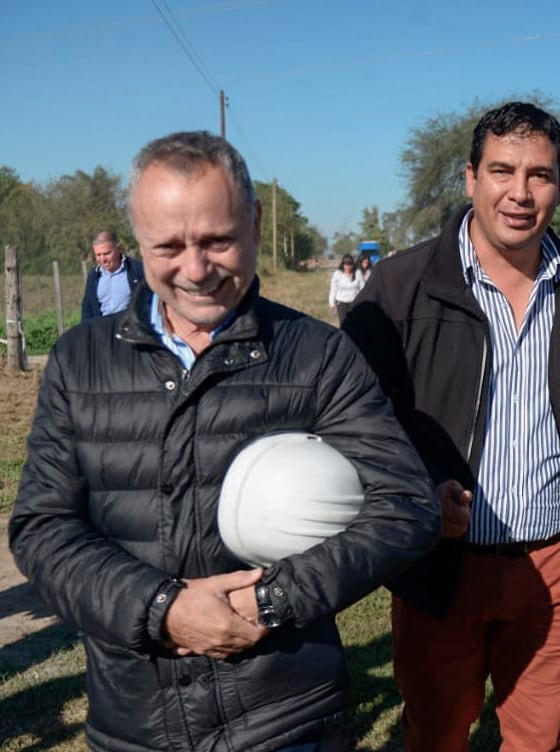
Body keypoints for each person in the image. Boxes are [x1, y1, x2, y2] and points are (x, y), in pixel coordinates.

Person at [9, 131, 440, 751]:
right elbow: (43, 527)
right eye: (168, 246)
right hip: (134, 721)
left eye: (217, 240)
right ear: (136, 240)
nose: (195, 269)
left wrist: (270, 600)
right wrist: (161, 609)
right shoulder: (81, 360)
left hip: (286, 720)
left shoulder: (318, 356)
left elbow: (406, 506)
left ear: (255, 222)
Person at [343, 101, 560, 751]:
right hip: (440, 566)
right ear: (471, 177)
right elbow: (348, 422)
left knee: (542, 739)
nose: (520, 193)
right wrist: (415, 492)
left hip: (553, 561)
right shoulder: (400, 287)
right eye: (502, 170)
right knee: (437, 735)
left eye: (540, 175)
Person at [80, 230, 146, 321]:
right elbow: (87, 309)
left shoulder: (137, 270)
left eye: (106, 253)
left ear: (119, 249)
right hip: (102, 327)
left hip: (129, 326)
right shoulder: (93, 276)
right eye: (98, 255)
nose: (103, 259)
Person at [328, 254, 363, 325]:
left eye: (350, 265)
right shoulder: (338, 274)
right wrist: (331, 303)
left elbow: (363, 288)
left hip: (354, 303)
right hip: (341, 303)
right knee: (344, 323)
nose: (348, 267)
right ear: (343, 265)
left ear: (353, 265)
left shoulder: (358, 273)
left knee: (354, 323)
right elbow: (333, 289)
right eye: (346, 265)